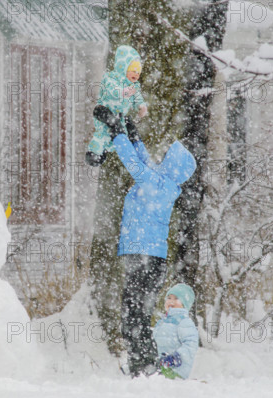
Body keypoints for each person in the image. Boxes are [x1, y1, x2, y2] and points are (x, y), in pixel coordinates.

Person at [94, 106, 196, 377]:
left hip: (146, 260)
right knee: (133, 314)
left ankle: (146, 367)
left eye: (166, 158)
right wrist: (133, 135)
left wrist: (117, 131)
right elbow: (143, 159)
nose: (161, 159)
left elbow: (135, 166)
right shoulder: (162, 180)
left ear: (173, 166)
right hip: (146, 257)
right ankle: (144, 365)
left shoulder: (161, 186)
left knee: (134, 315)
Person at [85, 45, 148, 167]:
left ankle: (110, 150)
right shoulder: (111, 78)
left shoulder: (134, 86)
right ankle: (94, 153)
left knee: (119, 134)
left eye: (138, 72)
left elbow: (137, 97)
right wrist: (123, 92)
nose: (137, 74)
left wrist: (141, 106)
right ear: (124, 67)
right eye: (133, 70)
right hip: (104, 112)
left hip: (119, 116)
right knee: (102, 133)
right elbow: (112, 91)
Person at [153, 284, 199, 380]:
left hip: (177, 369)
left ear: (184, 304)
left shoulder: (184, 322)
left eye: (176, 298)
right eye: (169, 298)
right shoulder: (162, 321)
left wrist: (177, 357)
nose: (171, 301)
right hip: (163, 366)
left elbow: (191, 344)